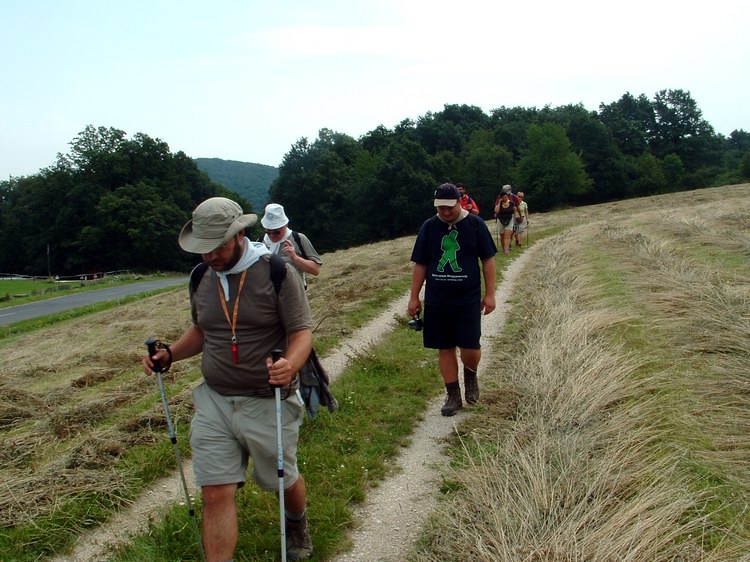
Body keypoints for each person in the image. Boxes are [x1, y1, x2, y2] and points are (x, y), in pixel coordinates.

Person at [142, 197, 314, 561]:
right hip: (215, 400)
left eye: (217, 246)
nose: (209, 256)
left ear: (238, 235)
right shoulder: (200, 277)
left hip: (268, 399)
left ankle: (296, 521)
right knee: (214, 491)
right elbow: (202, 331)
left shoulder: (276, 272)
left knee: (280, 481)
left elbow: (301, 332)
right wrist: (170, 353)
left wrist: (291, 365)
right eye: (203, 249)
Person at [408, 183, 497, 416]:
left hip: (467, 298)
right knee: (444, 347)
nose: (445, 212)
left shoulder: (475, 225)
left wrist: (490, 294)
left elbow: (488, 260)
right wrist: (414, 296)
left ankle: (470, 376)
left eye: (449, 207)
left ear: (459, 202)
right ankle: (453, 395)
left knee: (470, 345)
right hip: (437, 299)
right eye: (440, 208)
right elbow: (421, 263)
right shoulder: (429, 227)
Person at [261, 203, 322, 289]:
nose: (271, 235)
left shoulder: (298, 239)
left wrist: (295, 258)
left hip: (294, 297)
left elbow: (315, 270)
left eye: (276, 232)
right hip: (268, 298)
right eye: (268, 231)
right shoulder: (261, 242)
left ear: (285, 225)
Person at [494, 191, 517, 256]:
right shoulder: (499, 204)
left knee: (507, 236)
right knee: (502, 235)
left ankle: (506, 250)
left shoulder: (511, 203)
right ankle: (504, 248)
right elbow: (496, 211)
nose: (505, 198)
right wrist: (499, 202)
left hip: (509, 220)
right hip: (500, 220)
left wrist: (514, 210)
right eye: (503, 197)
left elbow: (514, 211)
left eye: (506, 197)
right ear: (500, 198)